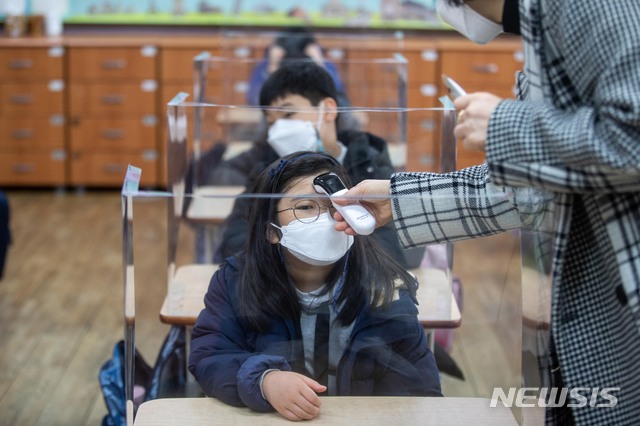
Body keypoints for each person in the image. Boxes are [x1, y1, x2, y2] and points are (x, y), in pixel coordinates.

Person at [333, 1, 640, 425]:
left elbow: (630, 137)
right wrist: (399, 199)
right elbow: (531, 192)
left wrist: (505, 125)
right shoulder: (540, 25)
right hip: (590, 315)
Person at [188, 152, 442, 421]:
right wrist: (264, 380)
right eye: (306, 207)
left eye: (335, 207)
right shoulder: (236, 281)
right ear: (271, 230)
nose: (326, 219)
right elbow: (209, 358)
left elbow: (417, 386)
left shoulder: (385, 288)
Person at [212, 61, 422, 269]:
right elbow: (234, 241)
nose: (279, 130)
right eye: (271, 122)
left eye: (288, 114)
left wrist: (328, 255)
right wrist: (296, 256)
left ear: (328, 110)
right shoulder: (268, 167)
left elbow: (397, 250)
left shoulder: (368, 163)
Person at [245, 27, 347, 107]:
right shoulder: (266, 64)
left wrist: (319, 63)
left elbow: (339, 97)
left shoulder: (324, 63)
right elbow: (254, 98)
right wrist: (273, 66)